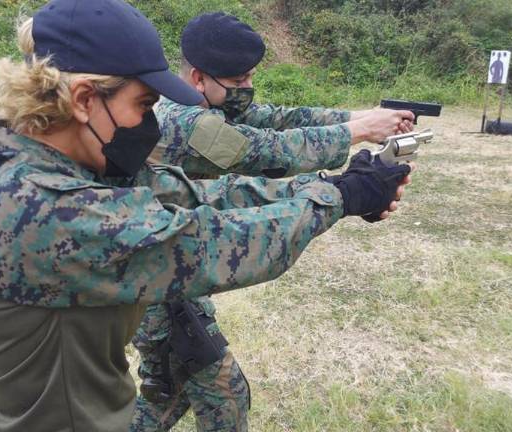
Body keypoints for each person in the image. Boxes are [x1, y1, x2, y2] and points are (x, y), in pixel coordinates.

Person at [0, 1, 412, 430]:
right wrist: (338, 198)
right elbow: (215, 243)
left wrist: (334, 187)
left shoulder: (57, 170)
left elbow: (199, 195)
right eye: (142, 105)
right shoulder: (41, 206)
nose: (150, 123)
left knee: (170, 393)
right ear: (83, 100)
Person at [131, 12, 416, 432]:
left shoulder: (204, 104)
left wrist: (359, 118)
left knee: (167, 396)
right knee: (223, 396)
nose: (247, 89)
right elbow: (262, 151)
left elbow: (277, 119)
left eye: (250, 78)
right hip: (158, 283)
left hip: (171, 272)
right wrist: (354, 134)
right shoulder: (185, 121)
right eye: (239, 80)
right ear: (198, 78)